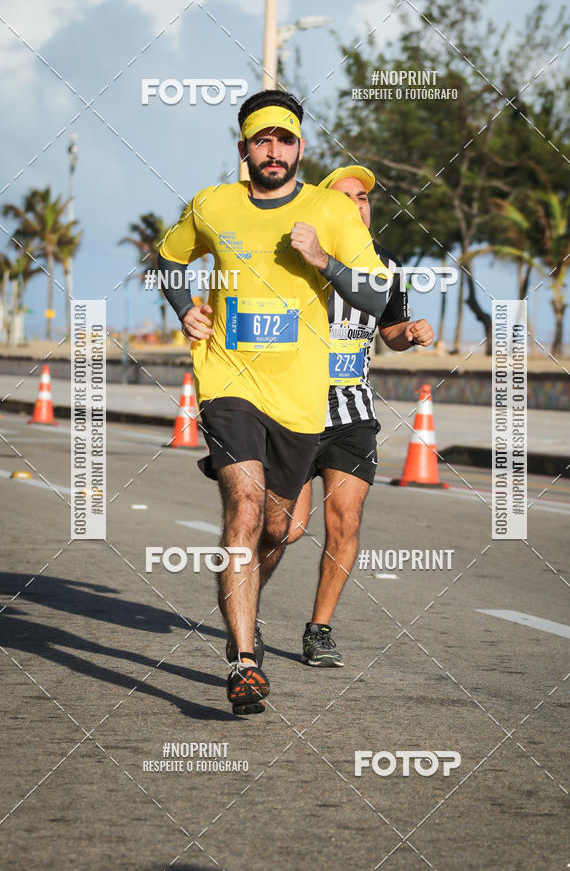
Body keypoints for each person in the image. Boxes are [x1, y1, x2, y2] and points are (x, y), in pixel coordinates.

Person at [158, 92, 391, 714]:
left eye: (284, 140)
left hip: (300, 397)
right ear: (244, 149)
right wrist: (184, 307)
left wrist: (322, 260)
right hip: (228, 383)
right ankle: (244, 662)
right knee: (244, 505)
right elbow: (169, 257)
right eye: (261, 140)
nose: (273, 151)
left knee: (280, 527)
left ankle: (244, 603)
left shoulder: (330, 210)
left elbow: (376, 295)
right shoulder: (212, 204)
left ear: (300, 149)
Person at [286, 165, 434, 667]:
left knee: (345, 521)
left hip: (352, 413)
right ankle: (248, 611)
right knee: (285, 529)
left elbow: (389, 330)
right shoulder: (300, 258)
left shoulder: (387, 264)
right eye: (345, 197)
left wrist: (408, 333)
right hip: (294, 410)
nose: (358, 204)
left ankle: (319, 630)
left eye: (364, 197)